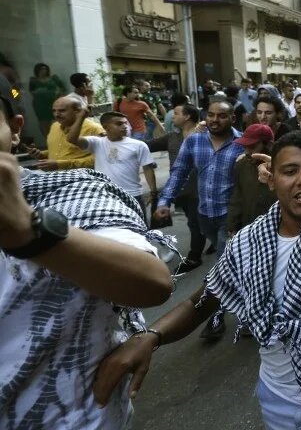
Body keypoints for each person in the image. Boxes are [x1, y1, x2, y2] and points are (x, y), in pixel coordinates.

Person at [93, 50, 301, 429]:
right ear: (272, 179)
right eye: (290, 170)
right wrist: (150, 337)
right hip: (280, 399)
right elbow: (203, 301)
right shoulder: (248, 242)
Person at [0, 73, 173, 429]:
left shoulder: (79, 191)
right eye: (55, 111)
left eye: (66, 109)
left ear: (14, 127)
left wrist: (27, 230)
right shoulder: (60, 132)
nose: (59, 115)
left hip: (107, 200)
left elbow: (152, 282)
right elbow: (69, 144)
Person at [155, 101, 243, 280]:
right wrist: (165, 200)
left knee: (223, 257)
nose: (215, 120)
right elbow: (179, 172)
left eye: (222, 115)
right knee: (218, 245)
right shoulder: (194, 141)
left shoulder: (242, 143)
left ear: (232, 118)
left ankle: (219, 294)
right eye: (211, 115)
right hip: (204, 213)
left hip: (231, 215)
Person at [147, 103, 205, 273]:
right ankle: (208, 238)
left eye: (177, 113)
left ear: (187, 117)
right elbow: (146, 145)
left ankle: (194, 258)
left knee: (195, 223)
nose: (172, 116)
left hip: (200, 188)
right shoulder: (172, 137)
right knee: (193, 220)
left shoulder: (205, 134)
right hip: (180, 189)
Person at [67, 109, 158, 212]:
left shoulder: (139, 145)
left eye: (125, 123)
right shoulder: (97, 143)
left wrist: (153, 192)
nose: (125, 126)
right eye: (119, 124)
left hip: (133, 195)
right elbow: (71, 139)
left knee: (140, 226)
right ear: (106, 127)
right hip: (106, 195)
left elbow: (148, 169)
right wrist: (81, 118)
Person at [226, 124, 277, 238]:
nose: (248, 152)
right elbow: (237, 197)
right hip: (248, 228)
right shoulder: (241, 165)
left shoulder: (283, 166)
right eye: (245, 146)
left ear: (268, 145)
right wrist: (232, 224)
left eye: (252, 146)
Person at [27, 95, 103, 171]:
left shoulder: (93, 128)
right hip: (53, 176)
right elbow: (61, 153)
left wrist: (61, 164)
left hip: (81, 177)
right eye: (54, 111)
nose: (56, 115)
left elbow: (100, 158)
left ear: (77, 111)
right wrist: (41, 154)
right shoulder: (55, 126)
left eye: (62, 111)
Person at [28, 62, 64, 138]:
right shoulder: (33, 81)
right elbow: (31, 91)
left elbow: (62, 88)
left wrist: (59, 95)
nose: (43, 71)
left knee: (56, 121)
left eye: (45, 69)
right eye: (41, 69)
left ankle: (57, 140)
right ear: (37, 70)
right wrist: (40, 92)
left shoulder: (53, 78)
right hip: (40, 104)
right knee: (43, 122)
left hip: (53, 102)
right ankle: (47, 141)